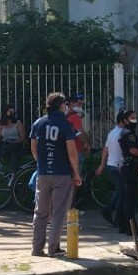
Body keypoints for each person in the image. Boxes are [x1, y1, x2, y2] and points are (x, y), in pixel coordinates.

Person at [30, 92, 83, 257]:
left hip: (43, 173)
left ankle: (37, 249)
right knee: (59, 212)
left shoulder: (38, 123)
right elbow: (72, 152)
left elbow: (33, 147)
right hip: (62, 173)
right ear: (62, 106)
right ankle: (54, 248)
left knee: (40, 212)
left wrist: (42, 163)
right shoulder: (66, 125)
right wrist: (77, 173)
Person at [117, 109, 138, 236]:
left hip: (130, 167)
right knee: (130, 199)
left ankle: (123, 225)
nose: (135, 120)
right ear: (125, 120)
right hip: (129, 168)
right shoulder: (128, 133)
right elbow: (133, 150)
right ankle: (131, 227)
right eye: (132, 117)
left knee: (125, 198)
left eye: (135, 117)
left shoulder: (129, 132)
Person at [95, 111, 126, 226]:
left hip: (111, 165)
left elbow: (105, 149)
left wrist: (102, 165)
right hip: (118, 166)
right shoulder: (122, 133)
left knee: (120, 190)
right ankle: (109, 211)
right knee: (121, 190)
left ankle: (113, 212)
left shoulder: (112, 133)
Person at [0, 104, 26, 171]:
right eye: (10, 112)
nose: (11, 115)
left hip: (15, 144)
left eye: (13, 113)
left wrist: (14, 142)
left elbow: (22, 138)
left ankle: (13, 175)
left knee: (14, 155)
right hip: (5, 144)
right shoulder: (1, 124)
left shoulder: (18, 123)